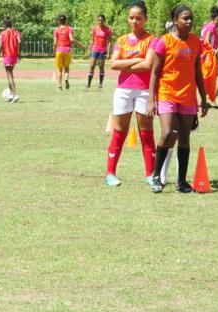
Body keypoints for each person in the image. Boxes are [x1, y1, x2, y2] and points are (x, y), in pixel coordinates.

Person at [148, 4, 209, 194]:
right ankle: (156, 175)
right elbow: (155, 72)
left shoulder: (195, 42)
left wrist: (204, 99)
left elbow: (198, 72)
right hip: (167, 93)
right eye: (185, 18)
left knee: (184, 137)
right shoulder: (164, 42)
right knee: (167, 133)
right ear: (175, 20)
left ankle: (181, 181)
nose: (189, 21)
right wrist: (151, 100)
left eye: (190, 18)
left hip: (188, 96)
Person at [104, 2, 157, 187]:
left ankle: (151, 174)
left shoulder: (152, 39)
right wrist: (137, 59)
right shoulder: (121, 40)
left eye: (138, 18)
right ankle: (110, 174)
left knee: (146, 133)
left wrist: (125, 63)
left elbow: (148, 65)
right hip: (123, 91)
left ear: (145, 19)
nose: (134, 21)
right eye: (131, 17)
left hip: (144, 91)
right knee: (119, 132)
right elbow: (113, 64)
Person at [200, 6, 218, 103]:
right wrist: (213, 51)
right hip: (210, 56)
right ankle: (210, 99)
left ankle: (208, 98)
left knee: (207, 78)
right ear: (217, 19)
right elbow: (207, 40)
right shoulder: (212, 26)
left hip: (204, 55)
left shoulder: (205, 26)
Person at [52, 14, 85, 91]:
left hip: (59, 51)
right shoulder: (69, 29)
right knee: (66, 68)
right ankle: (66, 78)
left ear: (59, 21)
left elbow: (54, 42)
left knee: (59, 69)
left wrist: (54, 50)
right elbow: (71, 39)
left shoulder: (56, 30)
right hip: (67, 51)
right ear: (66, 21)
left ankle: (60, 86)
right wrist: (81, 45)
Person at [0, 17, 20, 103]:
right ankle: (11, 95)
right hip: (14, 56)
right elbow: (19, 42)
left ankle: (15, 94)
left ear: (5, 25)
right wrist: (19, 54)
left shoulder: (2, 33)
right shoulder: (16, 32)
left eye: (2, 25)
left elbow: (0, 46)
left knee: (9, 75)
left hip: (7, 55)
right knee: (10, 74)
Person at [86, 14, 112, 90]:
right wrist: (89, 49)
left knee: (101, 66)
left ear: (104, 20)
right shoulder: (95, 28)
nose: (100, 22)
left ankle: (100, 84)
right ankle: (88, 84)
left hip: (103, 50)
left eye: (101, 20)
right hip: (95, 49)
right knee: (92, 66)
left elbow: (109, 42)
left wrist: (108, 52)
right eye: (99, 20)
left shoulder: (108, 29)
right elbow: (92, 40)